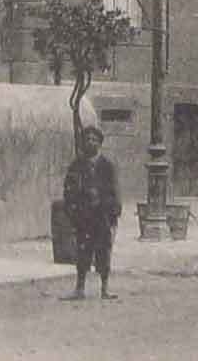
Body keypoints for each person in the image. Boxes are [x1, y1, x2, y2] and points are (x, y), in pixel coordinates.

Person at [62, 126, 121, 301]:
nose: (90, 142)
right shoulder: (77, 165)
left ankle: (105, 288)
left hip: (102, 216)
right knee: (83, 251)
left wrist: (113, 213)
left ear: (100, 143)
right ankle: (80, 288)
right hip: (84, 217)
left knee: (104, 251)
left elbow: (115, 191)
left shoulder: (107, 166)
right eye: (87, 139)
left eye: (94, 139)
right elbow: (69, 190)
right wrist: (72, 211)